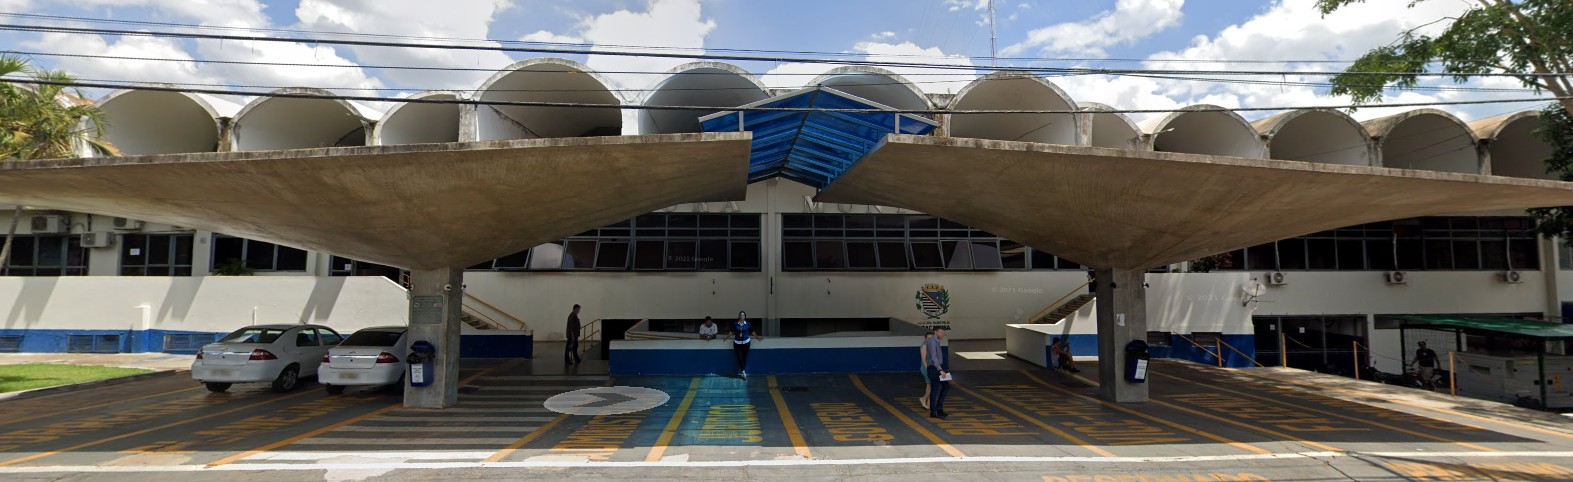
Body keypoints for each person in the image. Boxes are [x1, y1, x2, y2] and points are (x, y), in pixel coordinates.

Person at [925, 327, 950, 419]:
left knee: (946, 386)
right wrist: (940, 370)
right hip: (934, 369)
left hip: (937, 368)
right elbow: (933, 357)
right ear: (935, 332)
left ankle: (938, 408)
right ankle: (933, 411)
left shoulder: (936, 341)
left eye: (943, 333)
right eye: (941, 332)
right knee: (935, 389)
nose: (942, 334)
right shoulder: (932, 342)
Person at [732, 311, 758, 380]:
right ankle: (743, 372)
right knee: (740, 358)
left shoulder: (748, 324)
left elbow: (752, 331)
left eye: (743, 315)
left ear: (745, 317)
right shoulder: (735, 324)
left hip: (746, 343)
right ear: (739, 316)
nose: (742, 316)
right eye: (741, 315)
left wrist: (757, 337)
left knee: (744, 357)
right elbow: (731, 331)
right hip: (737, 343)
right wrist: (726, 337)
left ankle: (743, 371)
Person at [918, 331, 933, 410]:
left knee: (929, 385)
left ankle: (929, 404)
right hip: (926, 368)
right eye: (929, 338)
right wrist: (928, 369)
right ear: (925, 338)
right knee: (933, 384)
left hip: (932, 367)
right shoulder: (924, 346)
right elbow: (924, 360)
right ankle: (924, 398)